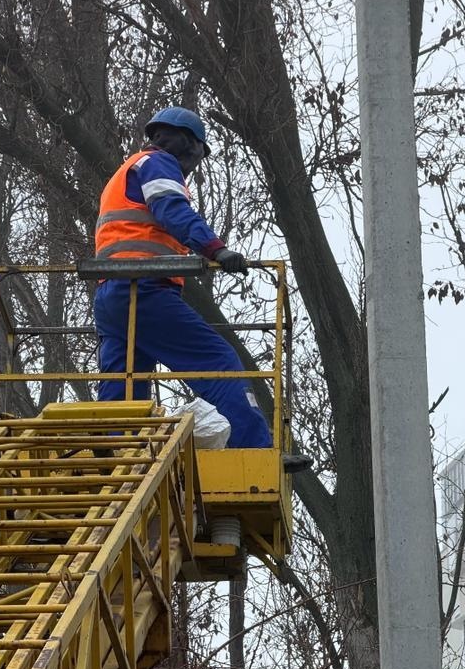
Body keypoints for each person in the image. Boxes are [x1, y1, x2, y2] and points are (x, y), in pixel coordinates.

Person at [93, 106, 310, 470]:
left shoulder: (127, 170)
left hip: (112, 297)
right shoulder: (158, 164)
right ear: (183, 141)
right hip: (144, 292)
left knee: (125, 385)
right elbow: (172, 211)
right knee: (220, 362)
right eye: (198, 151)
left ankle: (112, 455)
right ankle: (256, 449)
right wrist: (217, 249)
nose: (196, 161)